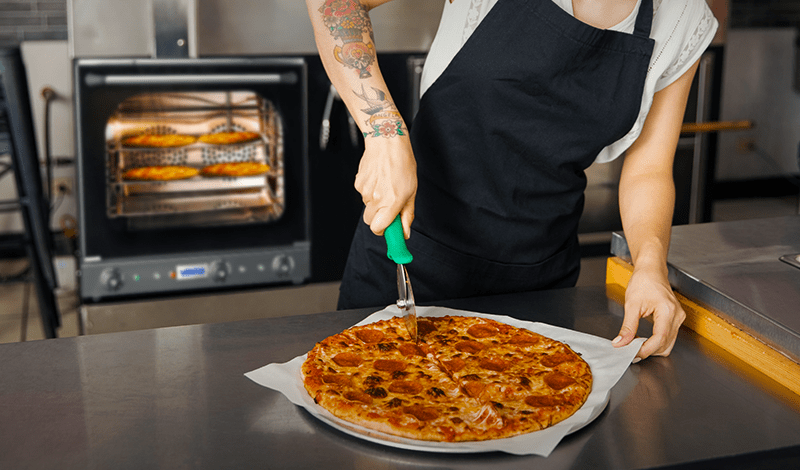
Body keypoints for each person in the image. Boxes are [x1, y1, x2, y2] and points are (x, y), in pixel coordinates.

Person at [305, 0, 718, 361]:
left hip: (539, 278)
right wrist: (383, 132)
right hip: (413, 254)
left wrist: (649, 264)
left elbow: (649, 168)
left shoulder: (683, 16)